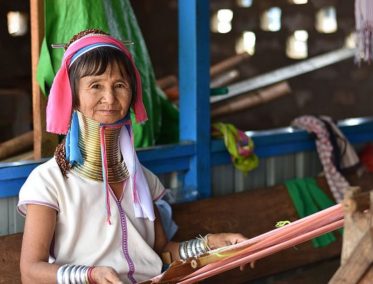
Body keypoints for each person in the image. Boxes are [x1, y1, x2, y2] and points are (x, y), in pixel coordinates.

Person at [18, 29, 246, 284]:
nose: (110, 98)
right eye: (95, 85)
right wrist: (89, 275)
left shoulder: (143, 180)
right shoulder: (49, 182)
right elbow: (30, 272)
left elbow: (162, 252)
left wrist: (212, 244)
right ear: (72, 96)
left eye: (120, 85)